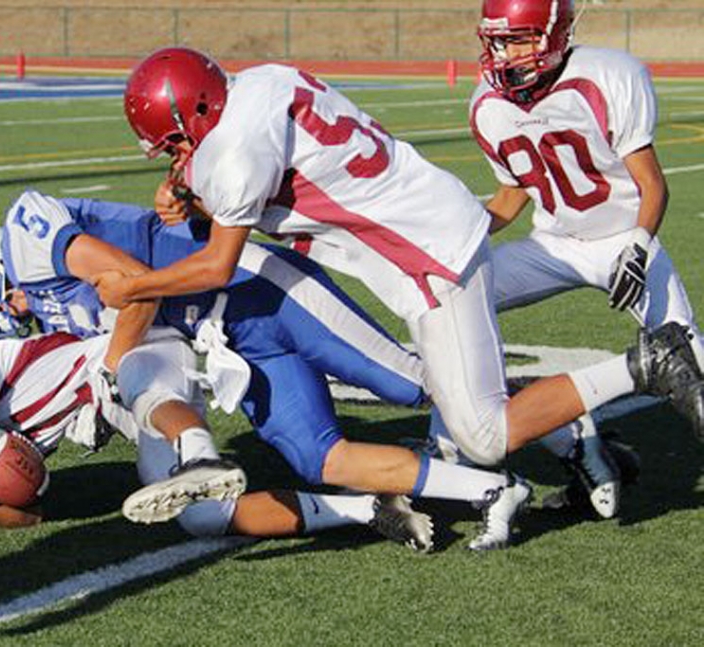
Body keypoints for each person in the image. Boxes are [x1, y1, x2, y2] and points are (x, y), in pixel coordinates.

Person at [93, 46, 703, 519]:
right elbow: (259, 175)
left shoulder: (231, 154)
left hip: (428, 254)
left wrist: (135, 289)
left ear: (198, 112)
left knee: (485, 435)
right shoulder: (260, 82)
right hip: (431, 226)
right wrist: (189, 186)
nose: (175, 153)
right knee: (452, 389)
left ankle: (644, 365)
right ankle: (585, 442)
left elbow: (216, 266)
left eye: (175, 140)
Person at [0, 195, 551, 552]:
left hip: (265, 291)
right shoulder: (47, 309)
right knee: (318, 457)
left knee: (414, 383)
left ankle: (572, 431)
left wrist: (113, 368)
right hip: (232, 340)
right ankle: (491, 489)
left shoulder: (31, 239)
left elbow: (138, 293)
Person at [0, 328, 435, 550]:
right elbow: (27, 518)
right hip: (117, 408)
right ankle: (368, 506)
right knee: (200, 522)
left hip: (131, 362)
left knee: (165, 425)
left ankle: (202, 453)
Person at [470, 0, 704, 453]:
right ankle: (563, 445)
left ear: (554, 34)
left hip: (623, 238)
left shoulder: (606, 76)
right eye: (499, 42)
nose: (506, 55)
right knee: (456, 298)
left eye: (518, 40)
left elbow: (652, 184)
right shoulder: (487, 103)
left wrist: (637, 247)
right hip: (553, 246)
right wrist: (455, 239)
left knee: (689, 358)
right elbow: (511, 195)